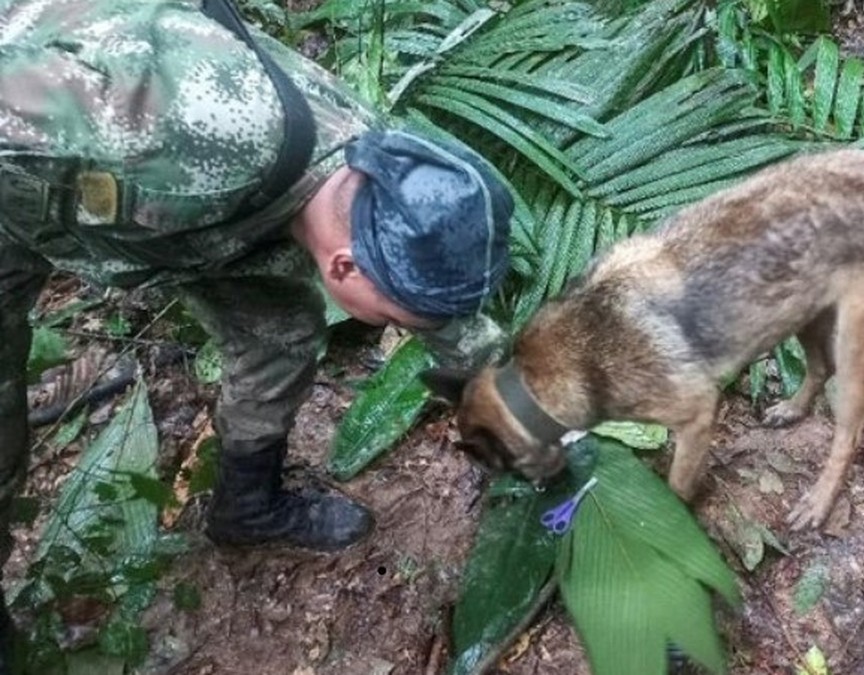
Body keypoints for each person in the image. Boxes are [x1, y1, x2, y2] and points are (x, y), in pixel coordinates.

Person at [0, 0, 513, 668]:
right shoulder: (168, 135)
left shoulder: (375, 173)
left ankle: (247, 506)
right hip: (23, 190)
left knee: (280, 333)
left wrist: (519, 407)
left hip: (187, 224)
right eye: (393, 319)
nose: (402, 328)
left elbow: (441, 311)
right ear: (344, 266)